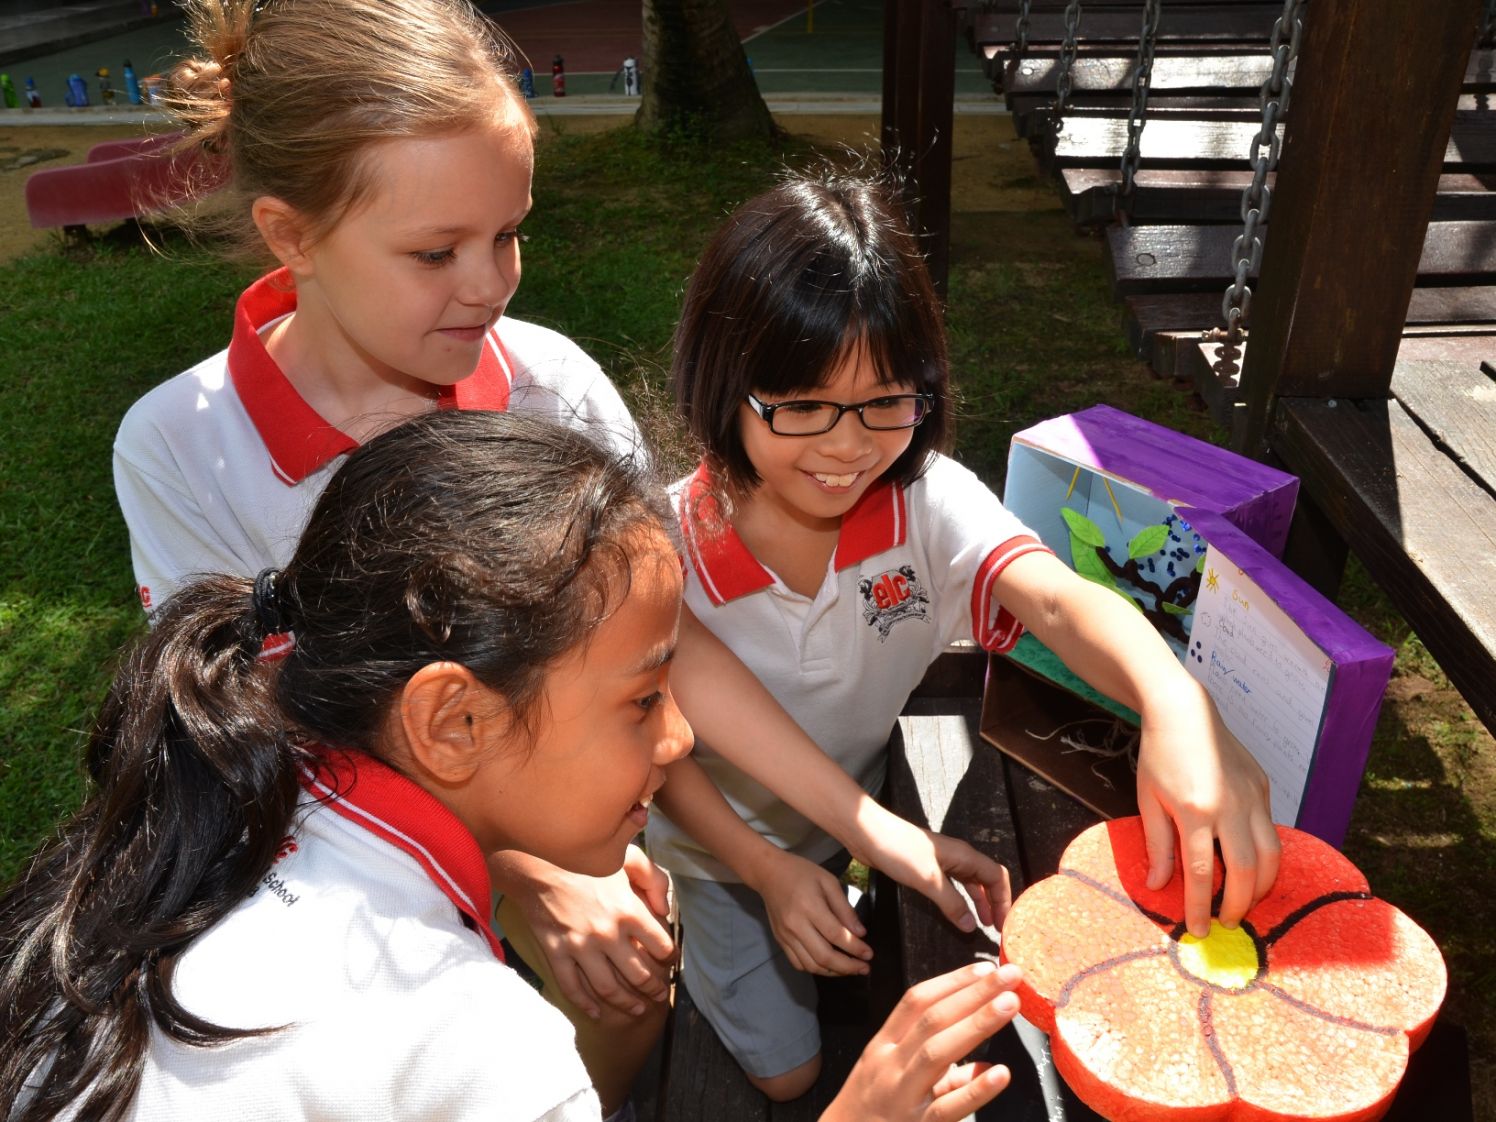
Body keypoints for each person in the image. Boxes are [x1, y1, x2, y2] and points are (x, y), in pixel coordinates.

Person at [109, 1, 1023, 1110]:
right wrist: (526, 876)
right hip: (335, 870)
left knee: (627, 991)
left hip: (563, 799)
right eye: (436, 252)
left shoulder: (553, 387)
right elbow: (252, 724)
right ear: (290, 234)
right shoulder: (181, 444)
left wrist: (863, 832)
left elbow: (661, 652)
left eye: (508, 233)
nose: (491, 285)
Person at [0, 411, 1029, 1122]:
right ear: (452, 721)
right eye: (643, 699)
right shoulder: (478, 1043)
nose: (678, 740)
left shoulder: (241, 789)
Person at [647, 169, 1284, 1101]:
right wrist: (763, 870)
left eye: (885, 401)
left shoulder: (925, 500)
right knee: (791, 1079)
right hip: (718, 853)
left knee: (864, 951)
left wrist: (1174, 700)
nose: (847, 447)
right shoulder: (660, 551)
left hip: (850, 821)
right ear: (722, 382)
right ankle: (703, 946)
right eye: (802, 406)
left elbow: (1059, 603)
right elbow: (656, 751)